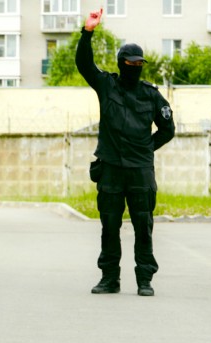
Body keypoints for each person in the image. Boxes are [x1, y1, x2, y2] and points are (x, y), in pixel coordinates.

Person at [76, 8, 175, 296]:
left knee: (143, 225)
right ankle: (110, 278)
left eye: (139, 62)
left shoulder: (151, 95)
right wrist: (88, 32)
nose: (135, 65)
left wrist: (146, 148)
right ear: (121, 63)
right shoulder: (107, 86)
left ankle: (145, 280)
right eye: (130, 62)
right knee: (109, 225)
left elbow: (168, 129)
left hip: (140, 171)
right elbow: (84, 64)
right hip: (110, 168)